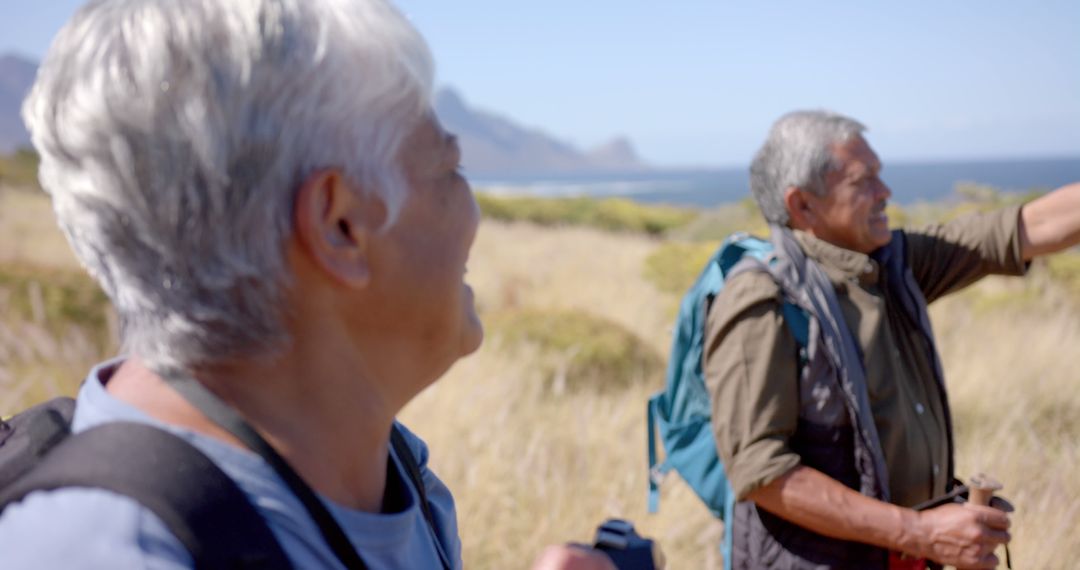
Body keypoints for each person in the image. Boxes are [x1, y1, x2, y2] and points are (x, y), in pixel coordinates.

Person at [0, 1, 615, 568]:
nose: (473, 212)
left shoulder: (391, 474)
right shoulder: (106, 551)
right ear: (340, 224)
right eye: (448, 168)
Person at [705, 110, 1080, 569]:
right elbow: (761, 472)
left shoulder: (895, 265)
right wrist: (921, 533)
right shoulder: (763, 299)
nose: (885, 193)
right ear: (803, 205)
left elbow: (1030, 228)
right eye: (864, 182)